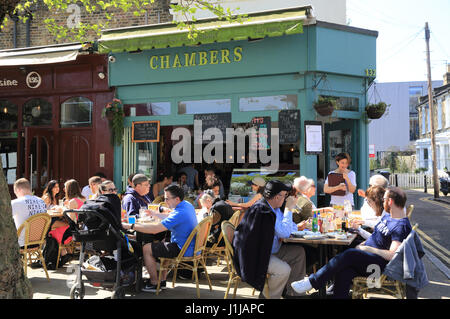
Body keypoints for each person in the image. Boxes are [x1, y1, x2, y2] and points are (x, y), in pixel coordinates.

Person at [291, 187, 412, 299]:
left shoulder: (400, 225)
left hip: (378, 267)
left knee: (349, 254)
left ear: (390, 201)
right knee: (344, 272)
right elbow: (377, 238)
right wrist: (364, 244)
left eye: (384, 199)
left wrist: (367, 249)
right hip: (369, 259)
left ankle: (313, 281)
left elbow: (392, 255)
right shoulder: (388, 217)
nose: (382, 201)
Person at [233, 180, 307, 299]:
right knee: (283, 270)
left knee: (298, 253)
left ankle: (294, 294)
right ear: (277, 197)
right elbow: (284, 232)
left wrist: (295, 225)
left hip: (269, 250)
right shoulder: (263, 210)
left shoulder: (274, 209)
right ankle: (268, 298)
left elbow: (288, 228)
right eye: (285, 196)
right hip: (256, 256)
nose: (286, 199)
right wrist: (289, 209)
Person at [122, 184, 198, 292]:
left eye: (167, 198)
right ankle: (162, 281)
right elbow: (171, 216)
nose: (165, 201)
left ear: (177, 199)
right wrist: (155, 214)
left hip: (183, 249)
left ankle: (154, 283)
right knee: (164, 241)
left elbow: (155, 230)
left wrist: (130, 226)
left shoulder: (180, 212)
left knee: (146, 248)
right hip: (189, 246)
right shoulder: (186, 205)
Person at [11, 178, 47, 248]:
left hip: (21, 243)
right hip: (38, 242)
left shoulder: (16, 202)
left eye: (16, 193)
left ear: (18, 190)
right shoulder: (41, 201)